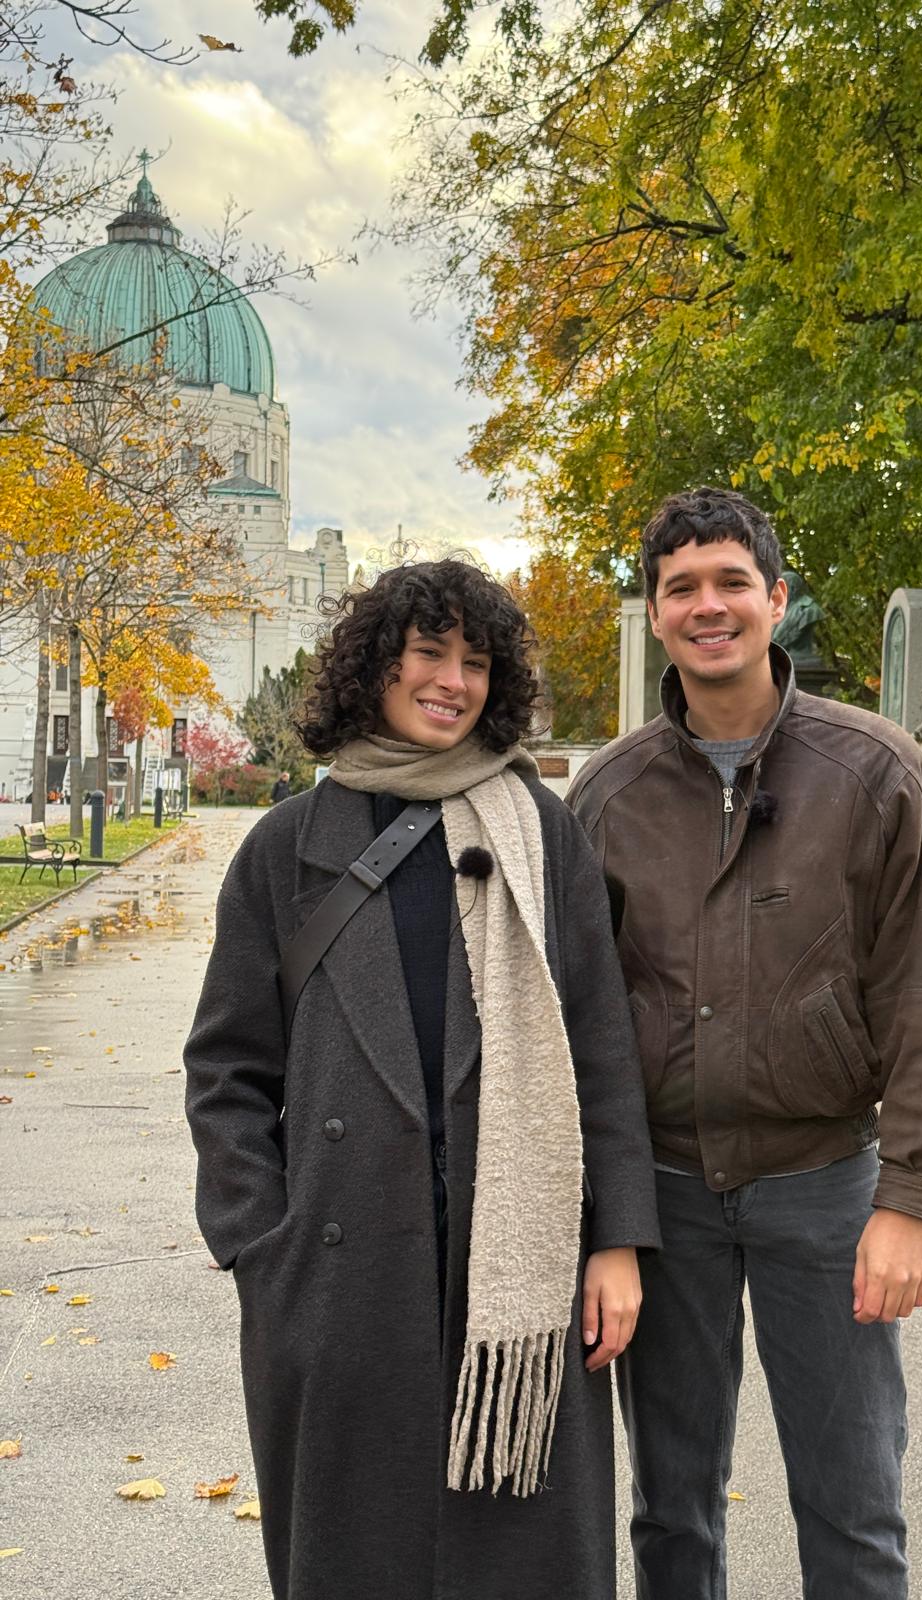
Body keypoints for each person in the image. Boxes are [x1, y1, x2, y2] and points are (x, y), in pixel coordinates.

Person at [184, 559, 660, 1600]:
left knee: (524, 1565)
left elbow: (601, 1047)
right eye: (429, 653)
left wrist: (615, 1238)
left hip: (519, 1270)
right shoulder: (284, 849)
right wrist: (265, 1247)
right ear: (374, 665)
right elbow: (227, 1067)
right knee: (361, 1562)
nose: (453, 680)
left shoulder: (541, 835)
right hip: (343, 1275)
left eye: (476, 661)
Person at [567, 488, 922, 1600]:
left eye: (732, 581)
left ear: (776, 600)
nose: (710, 605)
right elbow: (583, 1026)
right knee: (672, 1512)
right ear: (653, 611)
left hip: (824, 1187)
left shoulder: (876, 773)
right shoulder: (605, 795)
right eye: (681, 586)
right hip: (665, 1195)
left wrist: (910, 1200)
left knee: (852, 1505)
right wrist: (606, 1220)